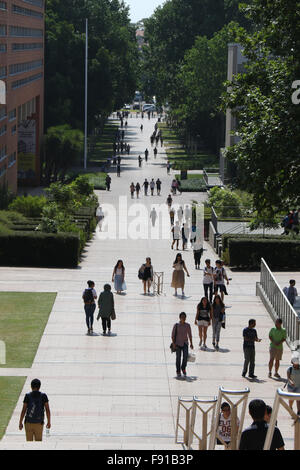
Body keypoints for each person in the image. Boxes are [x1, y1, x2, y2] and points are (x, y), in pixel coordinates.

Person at [171, 312, 193, 378]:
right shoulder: (176, 325)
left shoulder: (187, 325)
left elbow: (190, 335)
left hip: (185, 343)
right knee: (178, 358)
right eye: (182, 317)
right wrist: (174, 344)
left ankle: (183, 368)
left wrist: (191, 343)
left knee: (185, 357)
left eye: (184, 317)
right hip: (177, 344)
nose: (183, 318)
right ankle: (178, 371)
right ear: (180, 318)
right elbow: (172, 335)